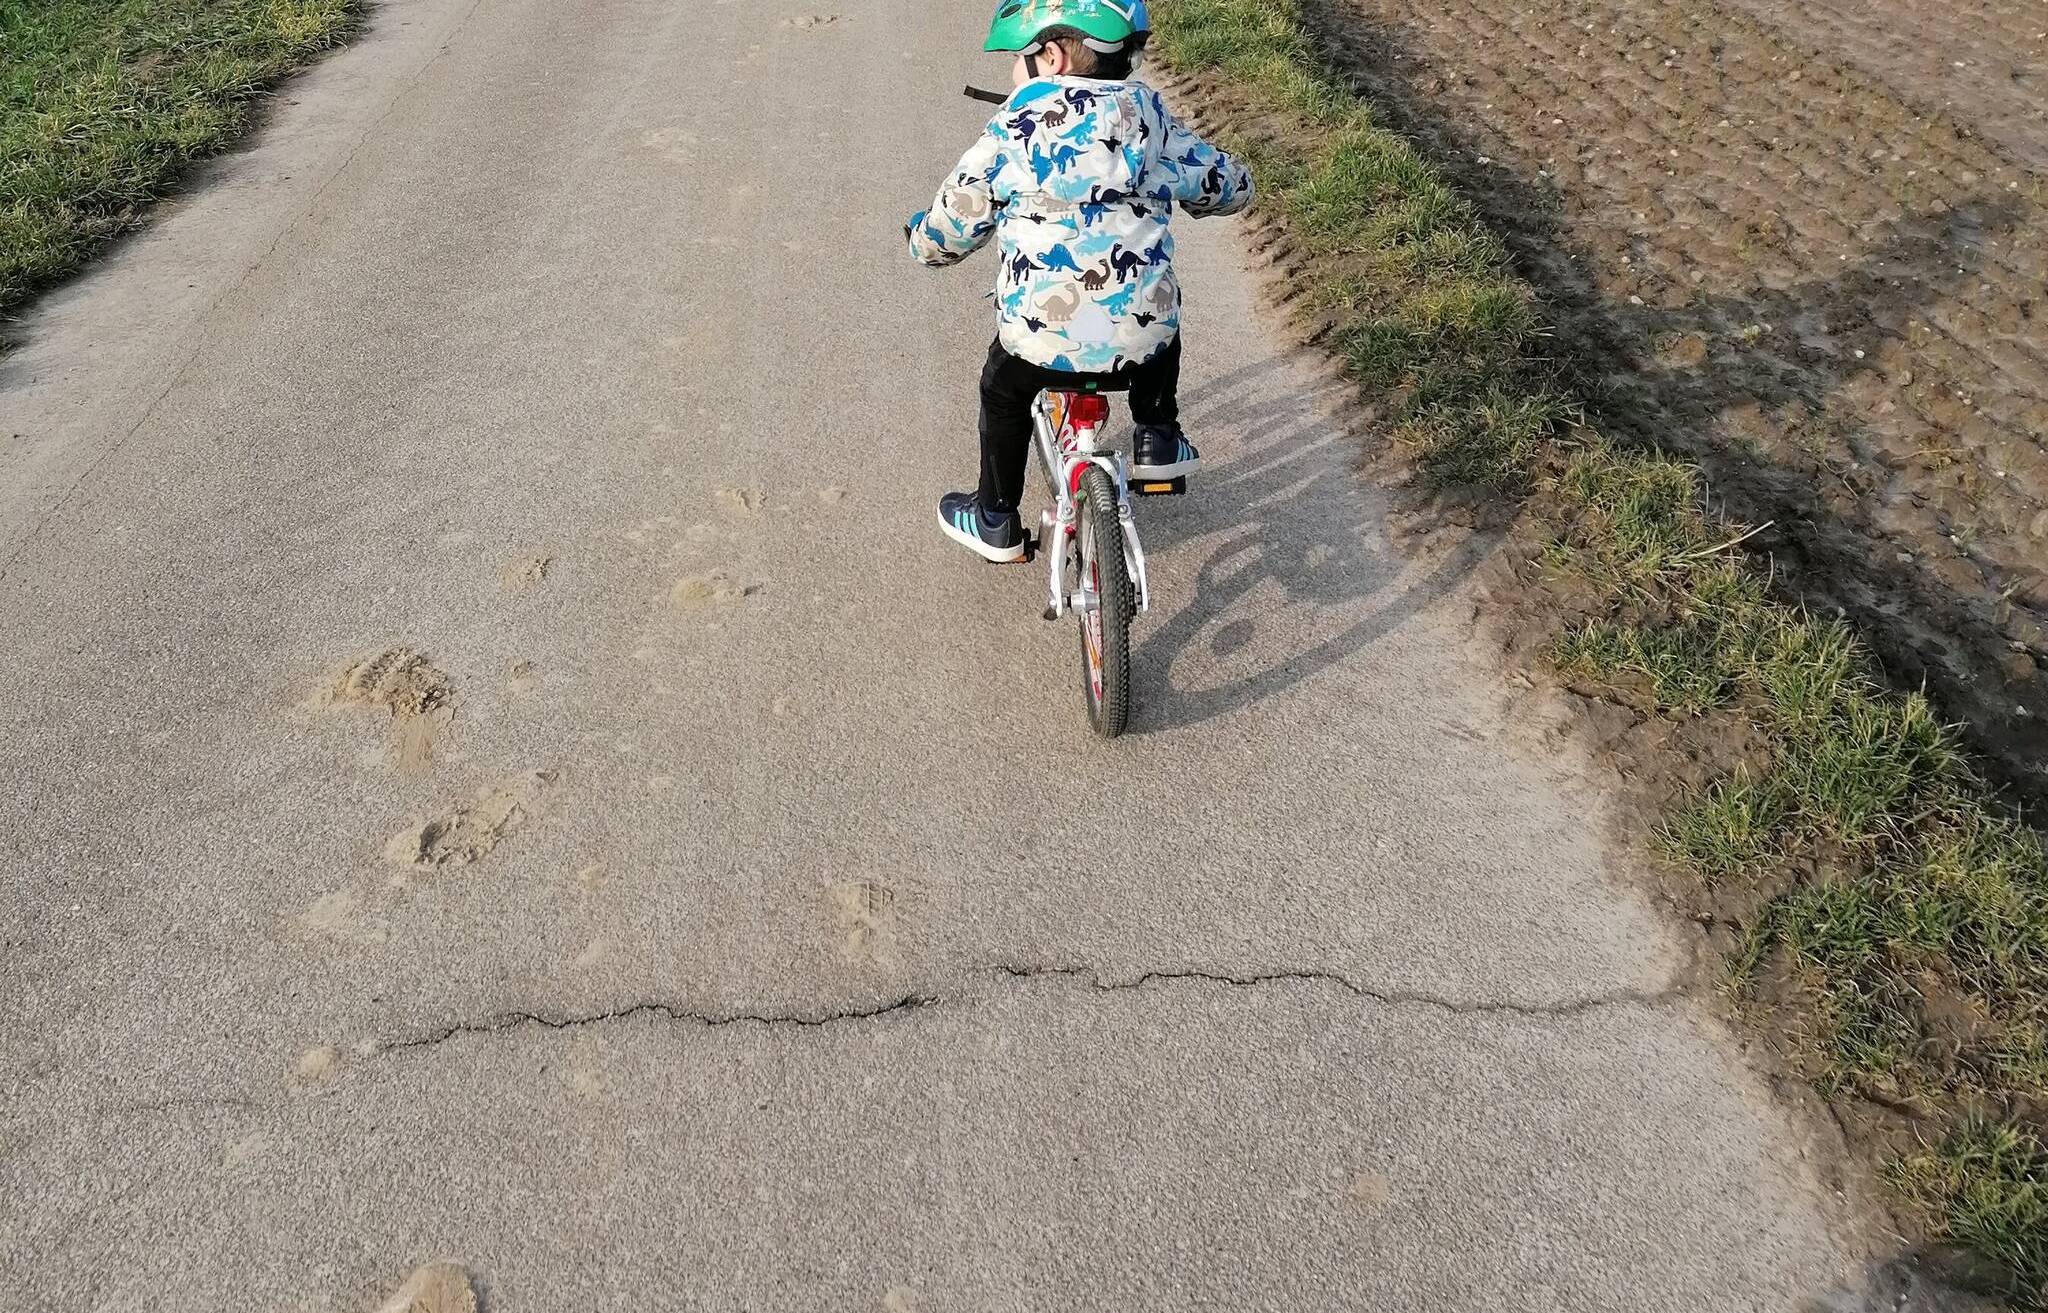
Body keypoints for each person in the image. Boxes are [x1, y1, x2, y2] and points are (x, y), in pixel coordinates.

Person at [905, 0, 1253, 563]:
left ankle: (995, 516)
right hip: (1141, 347)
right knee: (1159, 317)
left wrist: (922, 240)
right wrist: (1234, 182)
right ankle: (1157, 437)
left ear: (1052, 55)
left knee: (1003, 390)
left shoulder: (1015, 127)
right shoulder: (1150, 119)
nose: (1015, 72)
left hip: (1038, 341)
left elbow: (952, 224)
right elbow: (1227, 186)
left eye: (1020, 57)